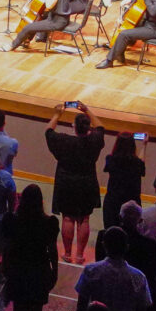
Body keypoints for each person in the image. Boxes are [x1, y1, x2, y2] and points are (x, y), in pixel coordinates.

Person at [3, 184, 59, 311]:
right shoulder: (49, 222)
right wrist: (54, 271)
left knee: (19, 310)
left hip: (18, 267)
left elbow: (7, 246)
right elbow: (52, 250)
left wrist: (6, 266)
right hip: (39, 268)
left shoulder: (12, 220)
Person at [44, 103, 103, 262]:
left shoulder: (64, 141)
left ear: (74, 127)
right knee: (84, 219)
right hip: (87, 183)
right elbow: (100, 127)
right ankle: (80, 255)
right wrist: (87, 110)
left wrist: (57, 114)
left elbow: (48, 131)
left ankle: (68, 253)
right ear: (88, 128)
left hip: (66, 183)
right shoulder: (94, 141)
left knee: (68, 218)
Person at [101, 130, 146, 226]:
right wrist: (144, 146)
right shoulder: (137, 163)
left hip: (113, 201)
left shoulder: (110, 159)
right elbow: (141, 162)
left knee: (110, 228)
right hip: (132, 201)